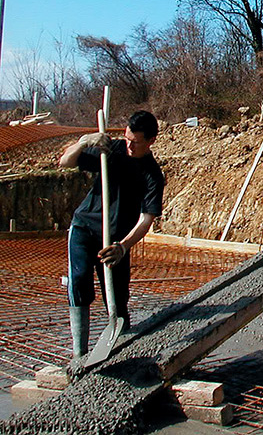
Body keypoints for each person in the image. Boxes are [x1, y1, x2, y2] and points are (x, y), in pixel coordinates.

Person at [59, 110, 164, 358]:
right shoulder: (111, 150)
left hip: (115, 242)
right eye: (127, 138)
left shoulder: (152, 175)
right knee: (79, 279)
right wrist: (85, 141)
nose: (129, 145)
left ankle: (120, 350)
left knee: (116, 297)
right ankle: (79, 354)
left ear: (151, 141)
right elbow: (66, 162)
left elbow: (147, 218)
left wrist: (123, 247)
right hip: (84, 228)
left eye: (135, 142)